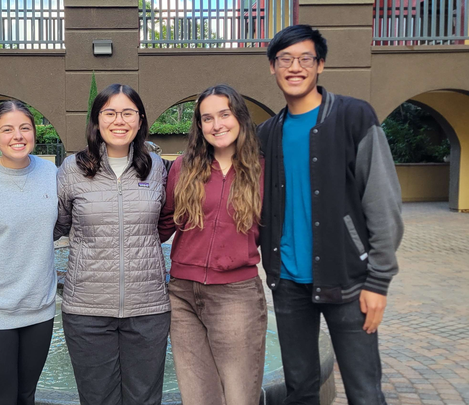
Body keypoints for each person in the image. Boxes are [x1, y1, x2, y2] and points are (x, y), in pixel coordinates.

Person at [258, 24, 403, 404]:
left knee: (364, 392)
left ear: (320, 64)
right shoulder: (267, 133)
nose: (295, 67)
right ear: (272, 67)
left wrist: (378, 283)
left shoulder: (354, 116)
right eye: (285, 59)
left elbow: (383, 203)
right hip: (288, 284)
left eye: (305, 58)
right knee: (300, 390)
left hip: (349, 282)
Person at [54, 84, 170, 405]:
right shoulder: (72, 169)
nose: (119, 121)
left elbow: (164, 223)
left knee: (145, 400)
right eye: (110, 113)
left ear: (140, 119)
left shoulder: (156, 168)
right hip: (87, 310)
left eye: (128, 113)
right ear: (96, 120)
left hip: (147, 308)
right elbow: (56, 225)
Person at [159, 84, 267, 405]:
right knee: (198, 397)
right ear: (199, 125)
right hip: (182, 295)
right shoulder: (183, 167)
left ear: (240, 118)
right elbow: (164, 223)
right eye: (207, 118)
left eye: (224, 115)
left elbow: (278, 230)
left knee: (239, 396)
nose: (217, 125)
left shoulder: (263, 170)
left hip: (236, 295)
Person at [0, 100, 58, 404]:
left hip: (40, 307)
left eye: (24, 128)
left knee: (27, 395)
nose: (17, 136)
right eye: (7, 130)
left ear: (34, 133)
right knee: (2, 399)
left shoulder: (51, 173)